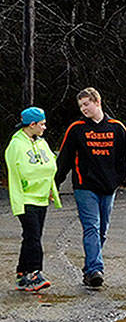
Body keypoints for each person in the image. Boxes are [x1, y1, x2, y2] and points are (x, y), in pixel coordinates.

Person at [54, 87, 126, 288]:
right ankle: (96, 269)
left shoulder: (117, 128)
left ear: (97, 102)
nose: (83, 108)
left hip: (108, 187)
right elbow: (65, 159)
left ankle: (89, 269)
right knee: (92, 227)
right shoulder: (76, 129)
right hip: (85, 186)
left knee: (102, 229)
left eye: (86, 104)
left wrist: (117, 182)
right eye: (81, 106)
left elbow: (123, 161)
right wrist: (55, 184)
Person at [6, 107, 60, 292]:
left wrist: (52, 190)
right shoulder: (16, 146)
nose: (45, 127)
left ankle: (22, 274)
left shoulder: (42, 143)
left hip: (42, 198)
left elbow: (50, 168)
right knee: (34, 237)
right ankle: (36, 273)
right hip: (26, 199)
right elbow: (14, 176)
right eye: (42, 124)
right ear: (32, 124)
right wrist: (18, 202)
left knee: (31, 237)